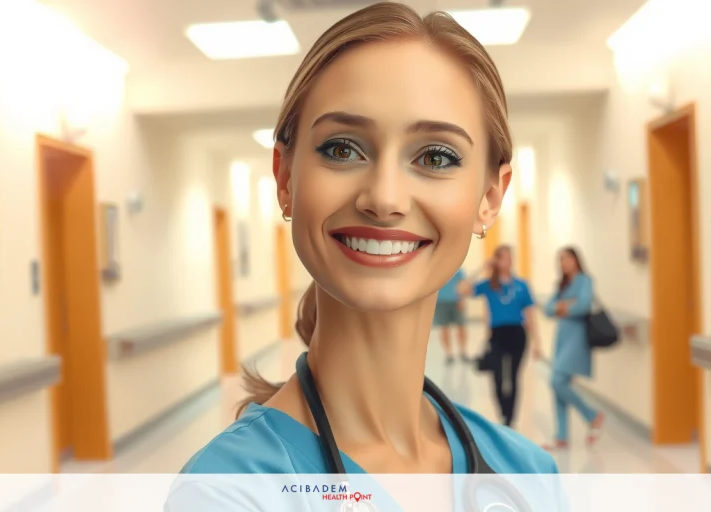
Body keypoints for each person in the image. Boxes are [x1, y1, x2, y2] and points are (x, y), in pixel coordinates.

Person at [179, 2, 556, 478]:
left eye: (436, 157)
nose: (384, 198)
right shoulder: (228, 490)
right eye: (342, 148)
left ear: (489, 196)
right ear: (286, 180)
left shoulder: (530, 474)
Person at [459, 245, 542, 428]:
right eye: (502, 257)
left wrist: (537, 343)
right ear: (496, 261)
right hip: (497, 335)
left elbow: (530, 315)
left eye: (509, 257)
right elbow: (462, 289)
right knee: (496, 377)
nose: (507, 260)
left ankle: (510, 420)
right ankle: (503, 412)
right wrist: (482, 267)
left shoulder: (522, 285)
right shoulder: (490, 284)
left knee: (512, 377)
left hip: (517, 334)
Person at [542, 246, 605, 450]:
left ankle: (592, 415)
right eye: (561, 260)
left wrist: (562, 306)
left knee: (557, 381)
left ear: (577, 260)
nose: (564, 263)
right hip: (562, 337)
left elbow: (584, 305)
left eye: (568, 259)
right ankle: (561, 436)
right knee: (558, 386)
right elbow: (548, 308)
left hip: (577, 338)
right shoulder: (562, 284)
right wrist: (565, 305)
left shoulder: (585, 281)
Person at [433, 267, 468, 364]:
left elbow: (463, 284)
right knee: (444, 328)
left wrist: (462, 299)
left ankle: (463, 351)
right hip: (441, 302)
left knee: (461, 326)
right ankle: (449, 354)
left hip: (456, 301)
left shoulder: (458, 269)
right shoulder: (436, 268)